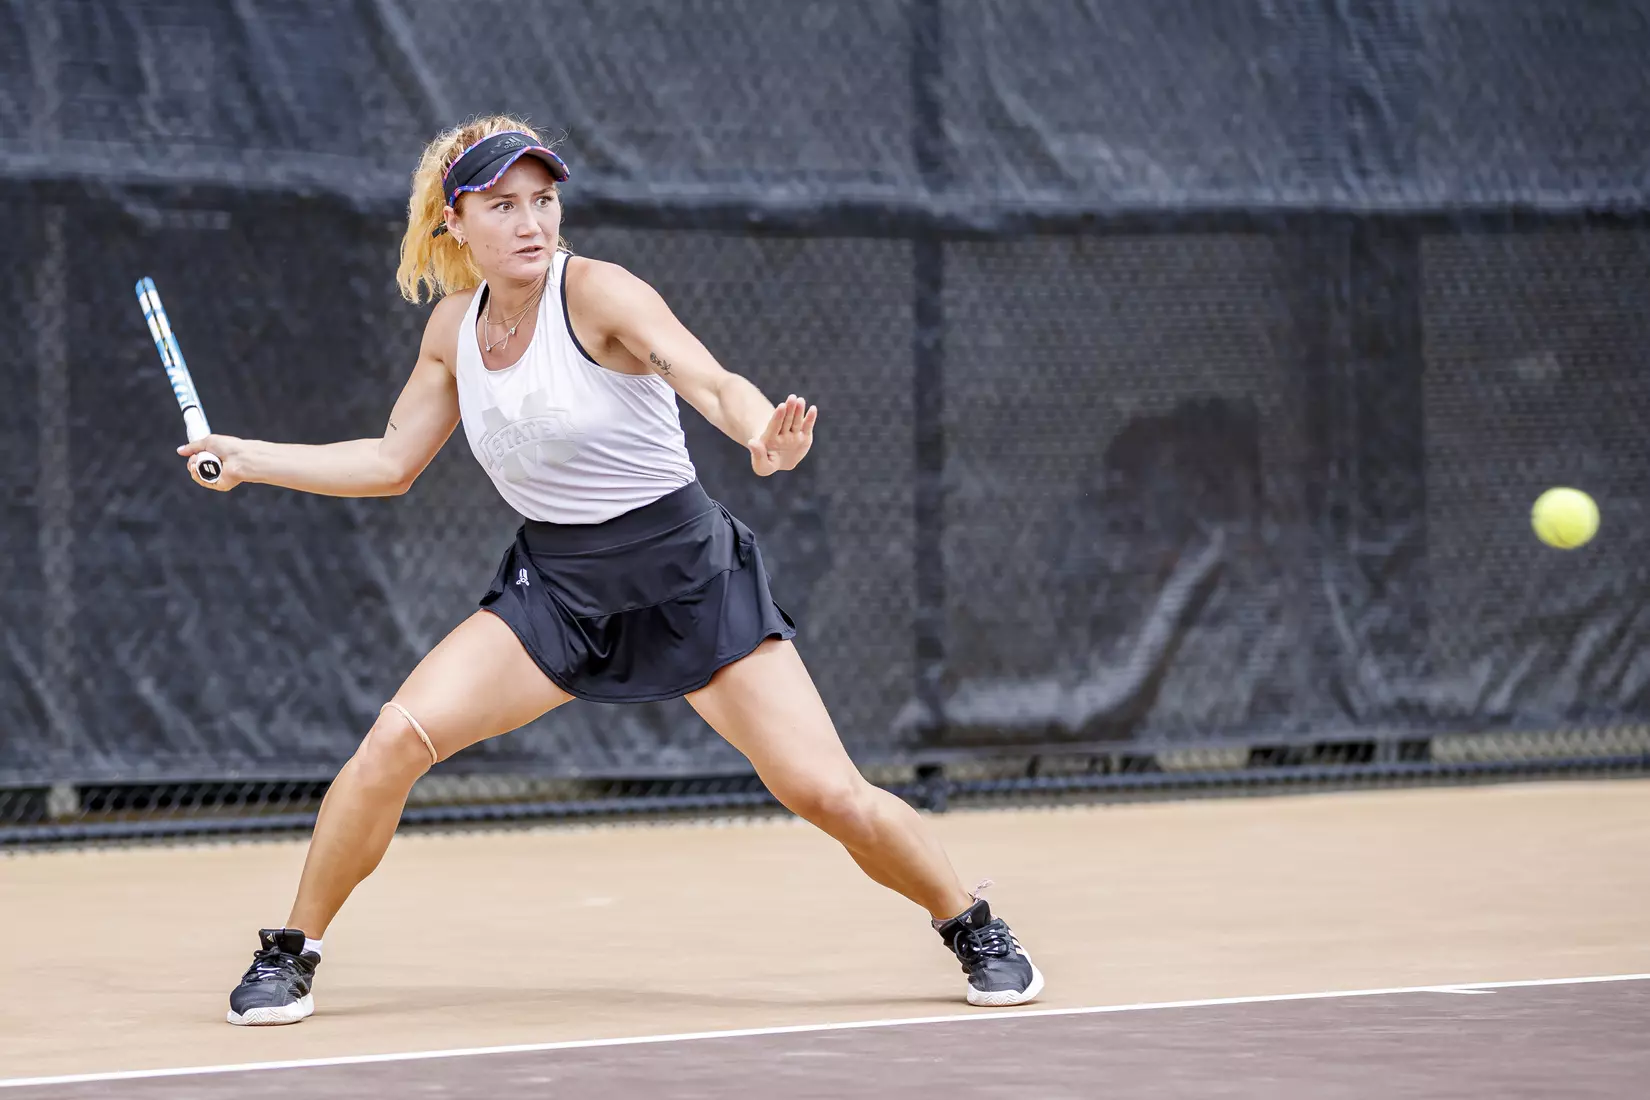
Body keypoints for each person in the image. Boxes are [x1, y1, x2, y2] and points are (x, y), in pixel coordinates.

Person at [182, 116, 1044, 1026]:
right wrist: (250, 458)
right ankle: (293, 951)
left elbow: (710, 380)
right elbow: (391, 463)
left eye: (544, 201)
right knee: (395, 741)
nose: (531, 223)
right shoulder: (451, 332)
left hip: (687, 577)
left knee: (826, 793)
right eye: (503, 205)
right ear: (455, 221)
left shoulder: (598, 294)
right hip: (556, 589)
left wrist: (760, 436)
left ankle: (972, 924)